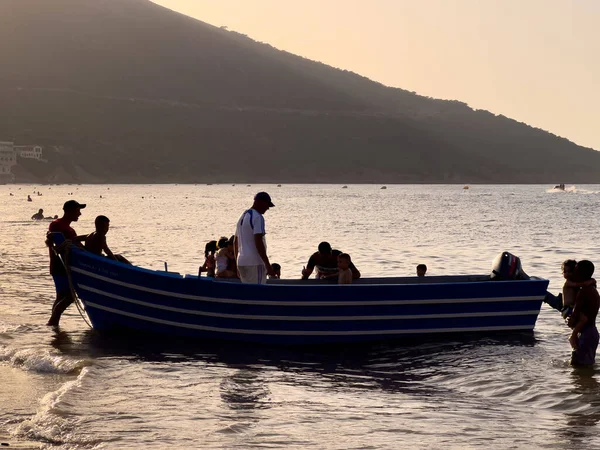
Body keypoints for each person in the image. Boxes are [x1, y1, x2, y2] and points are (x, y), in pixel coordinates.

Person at [46, 200, 87, 326]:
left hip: (65, 266)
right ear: (68, 211)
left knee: (61, 296)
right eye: (77, 211)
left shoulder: (70, 230)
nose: (79, 214)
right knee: (69, 296)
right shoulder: (57, 224)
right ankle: (52, 323)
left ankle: (54, 329)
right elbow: (55, 240)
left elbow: (79, 247)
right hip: (60, 265)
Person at [234, 192, 276, 284]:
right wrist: (267, 264)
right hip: (255, 262)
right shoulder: (258, 217)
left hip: (241, 262)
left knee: (248, 292)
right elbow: (258, 241)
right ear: (260, 202)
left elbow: (235, 242)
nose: (268, 208)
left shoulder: (242, 216)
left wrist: (236, 262)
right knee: (258, 291)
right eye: (267, 204)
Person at [567, 260, 600, 366]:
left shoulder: (583, 292)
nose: (573, 273)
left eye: (576, 271)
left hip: (585, 334)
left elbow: (577, 313)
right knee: (587, 367)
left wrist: (571, 322)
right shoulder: (593, 290)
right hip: (593, 333)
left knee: (577, 367)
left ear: (581, 273)